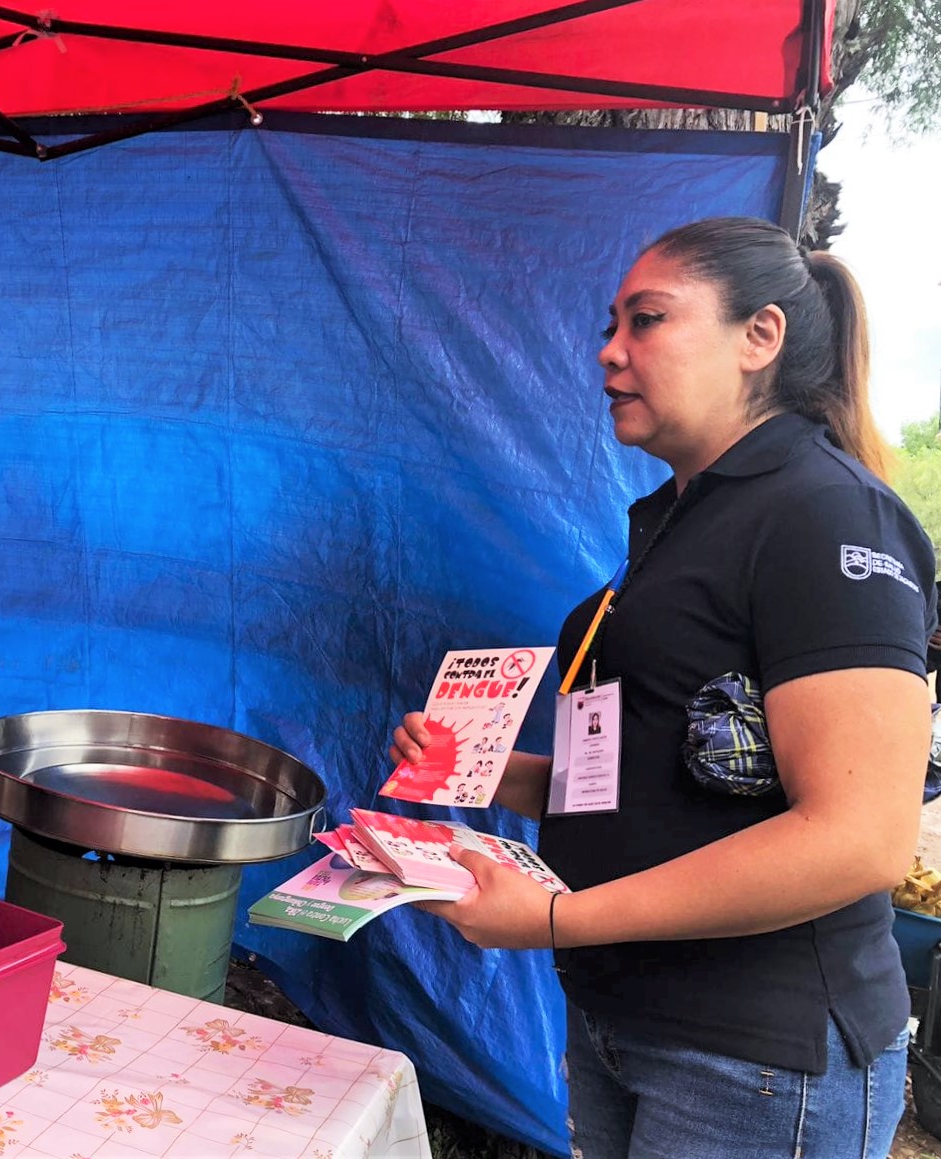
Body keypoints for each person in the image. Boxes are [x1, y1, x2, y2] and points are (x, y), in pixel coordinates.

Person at [391, 217, 936, 1158]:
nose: (607, 352)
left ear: (757, 337)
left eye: (645, 320)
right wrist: (493, 774)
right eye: (611, 325)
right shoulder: (684, 517)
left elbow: (859, 837)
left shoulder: (824, 513)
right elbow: (660, 765)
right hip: (625, 1016)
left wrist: (555, 917)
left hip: (753, 1054)